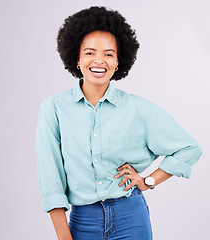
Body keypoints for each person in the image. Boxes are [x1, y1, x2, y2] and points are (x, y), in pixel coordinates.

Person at [36, 6, 202, 240]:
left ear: (117, 62)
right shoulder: (54, 109)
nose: (99, 61)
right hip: (83, 221)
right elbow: (52, 181)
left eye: (108, 54)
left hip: (131, 218)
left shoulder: (138, 109)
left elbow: (189, 148)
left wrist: (148, 180)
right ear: (77, 58)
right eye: (90, 53)